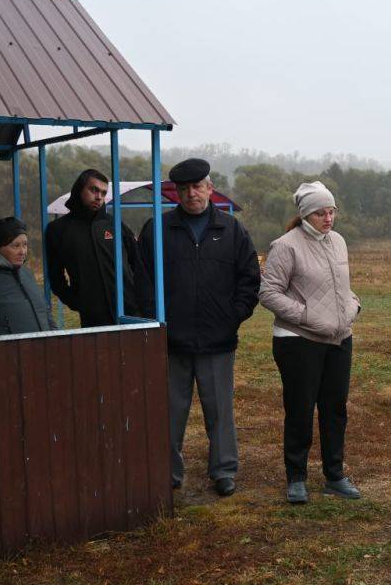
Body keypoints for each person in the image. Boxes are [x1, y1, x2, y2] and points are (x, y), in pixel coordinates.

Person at [138, 158, 260, 496]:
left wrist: (232, 315)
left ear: (210, 188)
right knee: (170, 412)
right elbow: (143, 280)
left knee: (219, 410)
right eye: (184, 189)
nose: (192, 193)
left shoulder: (231, 229)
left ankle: (223, 471)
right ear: (176, 193)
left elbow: (250, 278)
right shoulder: (157, 230)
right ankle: (168, 473)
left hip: (217, 340)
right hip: (171, 341)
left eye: (198, 186)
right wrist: (156, 321)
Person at [259, 181, 362, 504]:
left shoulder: (339, 242)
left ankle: (334, 475)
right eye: (321, 213)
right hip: (298, 341)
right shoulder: (286, 246)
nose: (328, 218)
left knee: (335, 409)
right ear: (306, 215)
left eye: (331, 212)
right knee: (301, 409)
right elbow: (268, 292)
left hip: (338, 338)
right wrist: (304, 315)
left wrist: (352, 306)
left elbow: (342, 286)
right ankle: (296, 478)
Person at [45, 169, 141, 327]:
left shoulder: (115, 224)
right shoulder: (58, 230)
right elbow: (55, 276)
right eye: (94, 190)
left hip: (130, 312)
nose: (99, 197)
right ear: (79, 189)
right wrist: (77, 302)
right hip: (93, 318)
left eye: (103, 193)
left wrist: (137, 296)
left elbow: (138, 263)